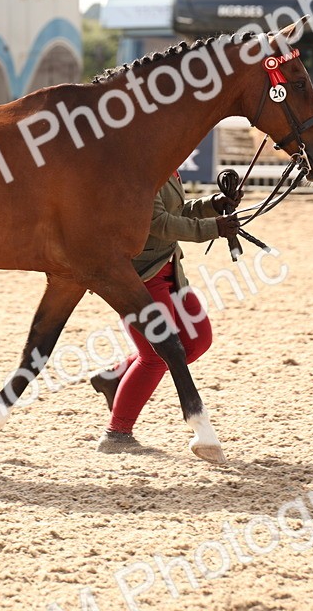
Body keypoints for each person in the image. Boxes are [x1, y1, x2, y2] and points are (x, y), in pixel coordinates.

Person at [90, 169, 241, 453]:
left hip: (170, 268)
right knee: (155, 357)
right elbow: (157, 222)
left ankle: (117, 375)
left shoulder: (166, 165)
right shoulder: (137, 167)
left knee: (197, 340)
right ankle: (116, 434)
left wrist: (213, 206)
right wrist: (213, 228)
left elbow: (177, 211)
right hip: (140, 276)